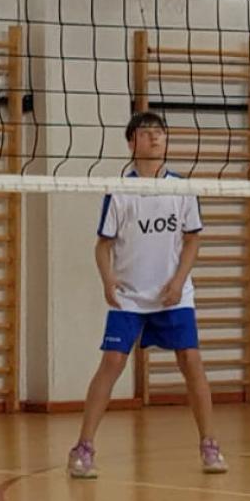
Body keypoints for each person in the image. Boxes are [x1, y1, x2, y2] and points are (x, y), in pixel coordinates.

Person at [68, 111, 227, 479]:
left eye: (160, 132)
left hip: (174, 293)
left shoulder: (182, 188)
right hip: (130, 295)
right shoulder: (120, 190)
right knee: (112, 362)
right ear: (131, 143)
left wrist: (179, 281)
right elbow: (103, 245)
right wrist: (107, 280)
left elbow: (192, 240)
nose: (155, 138)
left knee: (191, 360)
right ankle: (83, 448)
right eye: (146, 132)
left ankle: (209, 445)